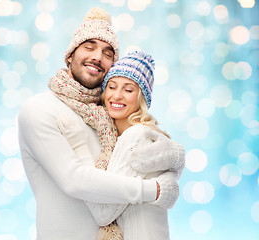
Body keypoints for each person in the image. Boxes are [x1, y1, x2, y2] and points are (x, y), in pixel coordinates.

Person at [18, 7, 183, 240]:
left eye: (108, 53)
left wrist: (173, 162)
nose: (97, 56)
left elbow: (138, 158)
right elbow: (73, 180)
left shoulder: (108, 114)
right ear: (70, 54)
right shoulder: (39, 109)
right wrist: (156, 190)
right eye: (89, 46)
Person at [55, 51, 185, 240]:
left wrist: (78, 143)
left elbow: (103, 213)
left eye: (128, 90)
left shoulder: (135, 136)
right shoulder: (139, 136)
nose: (116, 96)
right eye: (112, 86)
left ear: (141, 98)